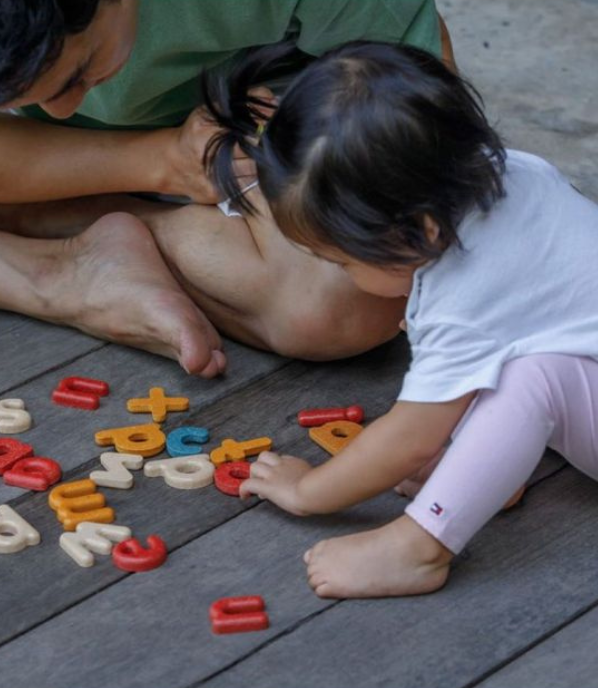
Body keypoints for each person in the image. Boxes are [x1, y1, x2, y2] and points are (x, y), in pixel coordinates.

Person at [204, 41, 598, 598]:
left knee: (530, 380)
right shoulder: (517, 174)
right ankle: (483, 472)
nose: (339, 274)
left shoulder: (465, 296)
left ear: (424, 230)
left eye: (341, 259)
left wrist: (308, 491)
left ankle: (418, 549)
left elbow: (409, 441)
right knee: (521, 366)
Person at [0, 0, 454, 375]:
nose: (66, 107)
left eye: (77, 74)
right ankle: (61, 279)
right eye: (8, 97)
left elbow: (417, 116)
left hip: (265, 150)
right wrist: (160, 160)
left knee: (341, 301)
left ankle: (85, 224)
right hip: (47, 158)